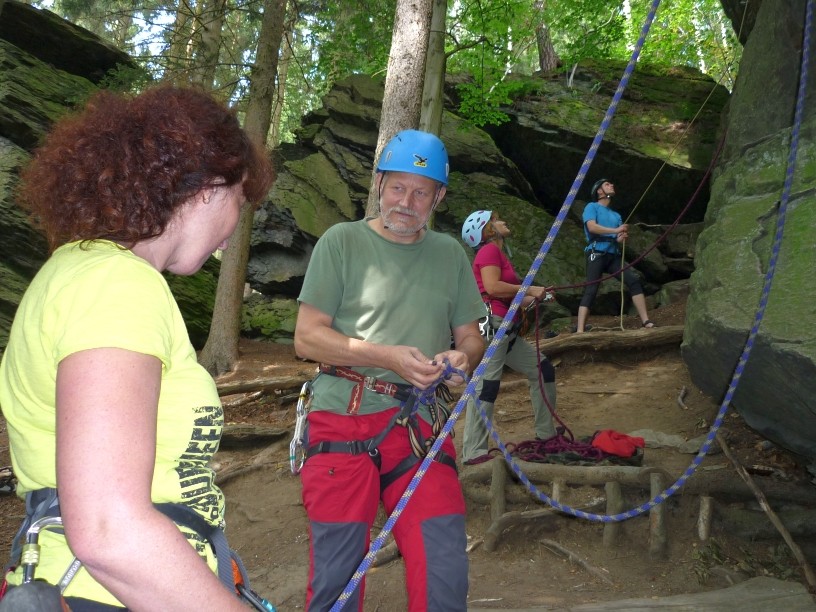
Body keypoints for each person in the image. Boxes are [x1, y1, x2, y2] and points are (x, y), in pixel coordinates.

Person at [0, 85, 274, 611]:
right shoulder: (115, 285)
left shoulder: (84, 272)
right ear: (209, 186)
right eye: (240, 201)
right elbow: (109, 527)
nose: (234, 229)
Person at [293, 129, 485, 611]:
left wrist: (463, 357)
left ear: (438, 197)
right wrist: (387, 356)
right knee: (337, 576)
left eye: (421, 192)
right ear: (378, 184)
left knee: (443, 566)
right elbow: (308, 337)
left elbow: (471, 336)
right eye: (398, 187)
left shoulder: (449, 256)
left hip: (418, 428)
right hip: (343, 418)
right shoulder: (342, 242)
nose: (406, 201)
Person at [460, 210, 558, 465]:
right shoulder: (488, 251)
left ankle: (547, 435)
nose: (503, 221)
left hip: (507, 328)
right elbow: (492, 288)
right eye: (496, 219)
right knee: (486, 387)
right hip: (495, 328)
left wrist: (538, 296)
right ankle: (473, 452)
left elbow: (505, 294)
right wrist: (529, 289)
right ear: (487, 229)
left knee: (542, 369)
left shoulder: (497, 253)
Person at [575, 178, 656, 333]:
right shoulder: (591, 207)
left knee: (633, 281)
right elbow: (592, 228)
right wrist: (615, 231)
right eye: (607, 184)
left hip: (613, 255)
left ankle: (646, 321)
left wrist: (621, 237)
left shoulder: (616, 215)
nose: (612, 185)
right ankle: (580, 330)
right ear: (599, 191)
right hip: (596, 252)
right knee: (591, 289)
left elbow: (617, 238)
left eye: (611, 183)